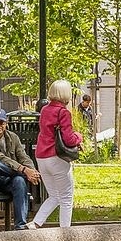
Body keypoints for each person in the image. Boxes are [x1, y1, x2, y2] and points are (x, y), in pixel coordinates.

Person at [30, 79, 82, 229]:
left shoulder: (44, 110)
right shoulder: (63, 112)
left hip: (41, 157)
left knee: (54, 195)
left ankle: (36, 223)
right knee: (66, 197)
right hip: (57, 157)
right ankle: (65, 233)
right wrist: (79, 137)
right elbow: (68, 138)